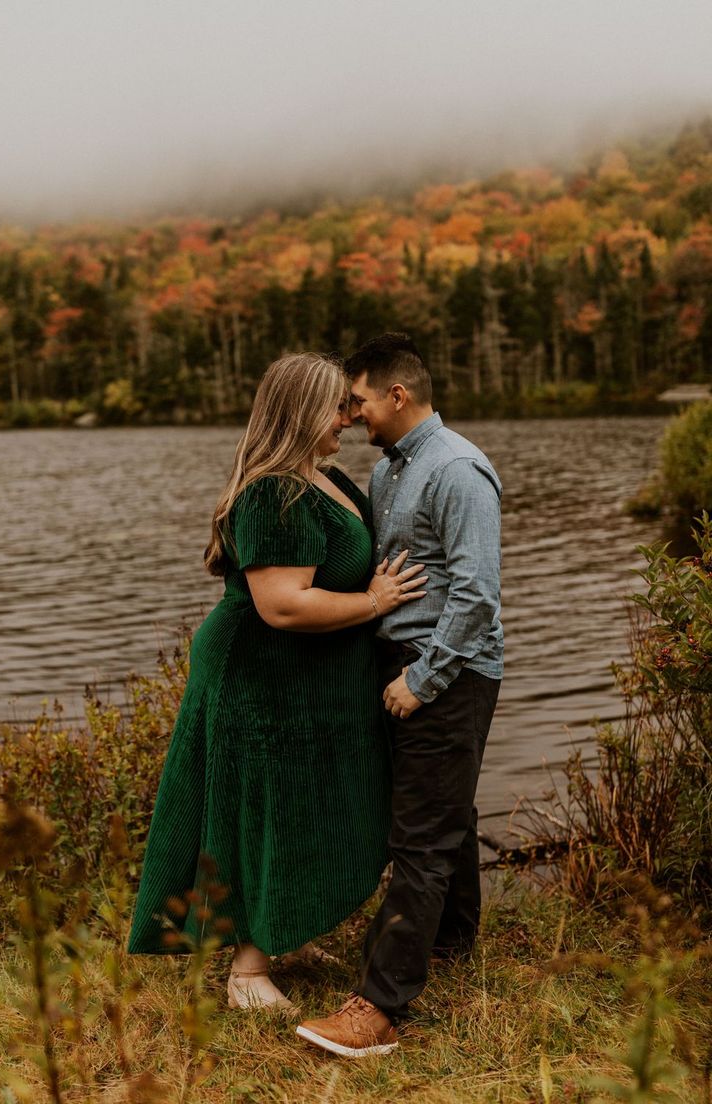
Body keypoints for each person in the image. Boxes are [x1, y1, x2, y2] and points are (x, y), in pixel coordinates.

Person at [128, 352, 427, 1012]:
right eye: (336, 407)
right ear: (298, 413)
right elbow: (284, 605)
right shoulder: (274, 493)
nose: (349, 417)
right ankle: (248, 972)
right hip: (261, 682)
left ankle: (277, 930)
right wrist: (376, 604)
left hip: (310, 682)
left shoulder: (329, 479)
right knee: (269, 809)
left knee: (321, 802)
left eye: (351, 406)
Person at [297, 333, 503, 1056]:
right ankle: (450, 945)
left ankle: (378, 1009)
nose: (349, 416)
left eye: (356, 401)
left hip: (446, 672)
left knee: (419, 838)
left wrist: (424, 678)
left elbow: (477, 596)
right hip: (405, 663)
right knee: (446, 812)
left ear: (397, 395)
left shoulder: (458, 470)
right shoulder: (390, 471)